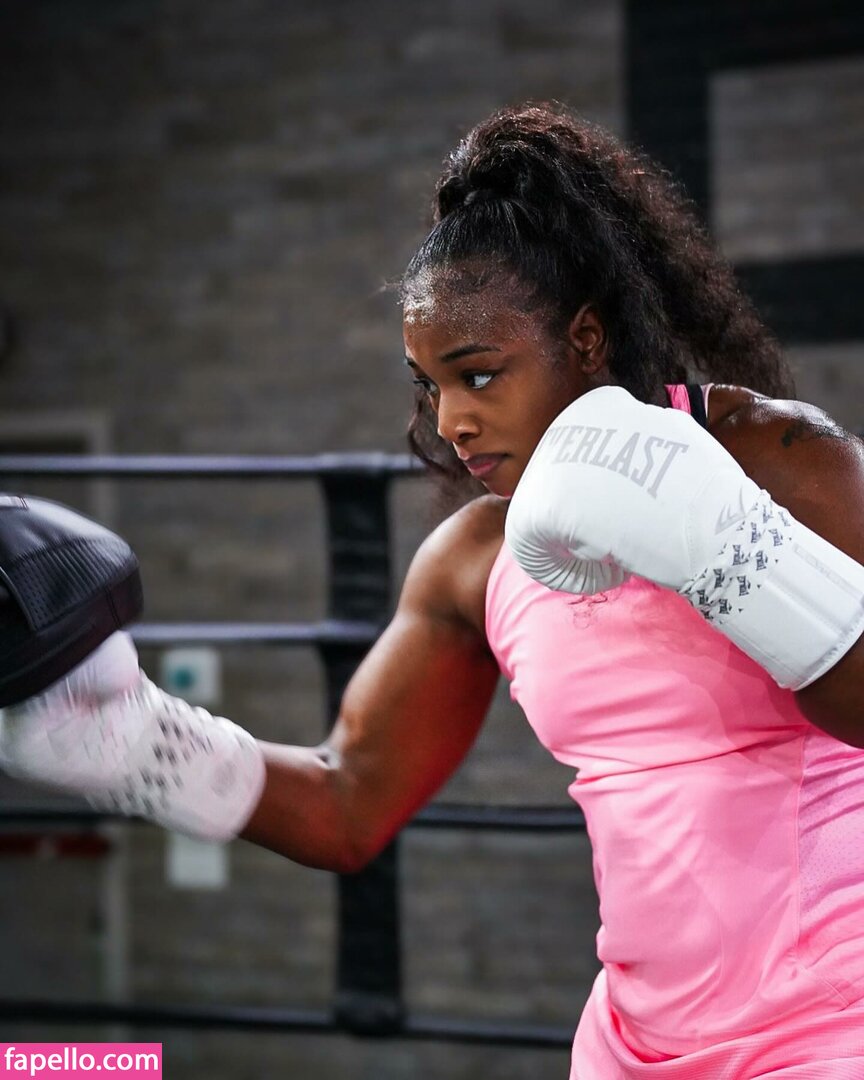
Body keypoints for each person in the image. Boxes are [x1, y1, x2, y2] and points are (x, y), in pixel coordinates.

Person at [3, 101, 864, 1077]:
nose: (452, 420)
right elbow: (348, 800)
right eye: (428, 385)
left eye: (479, 375)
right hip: (635, 1046)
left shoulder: (775, 459)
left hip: (836, 1025)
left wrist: (726, 542)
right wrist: (133, 742)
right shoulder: (475, 560)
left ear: (586, 340)